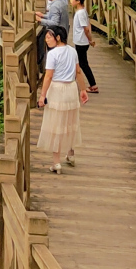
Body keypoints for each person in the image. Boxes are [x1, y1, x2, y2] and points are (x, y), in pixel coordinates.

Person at [37, 27, 84, 173]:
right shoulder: (73, 51)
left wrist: (42, 95)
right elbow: (78, 71)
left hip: (57, 89)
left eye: (49, 37)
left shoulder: (53, 54)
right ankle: (71, 154)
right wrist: (83, 89)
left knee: (56, 124)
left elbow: (48, 76)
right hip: (71, 88)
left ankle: (56, 162)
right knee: (70, 121)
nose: (46, 40)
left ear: (57, 37)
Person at [69, 0, 99, 94]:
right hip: (81, 41)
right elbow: (88, 24)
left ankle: (93, 85)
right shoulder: (82, 11)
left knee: (82, 63)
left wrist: (90, 39)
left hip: (81, 42)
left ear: (78, 1)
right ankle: (72, 81)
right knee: (79, 62)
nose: (70, 1)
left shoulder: (80, 13)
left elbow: (86, 28)